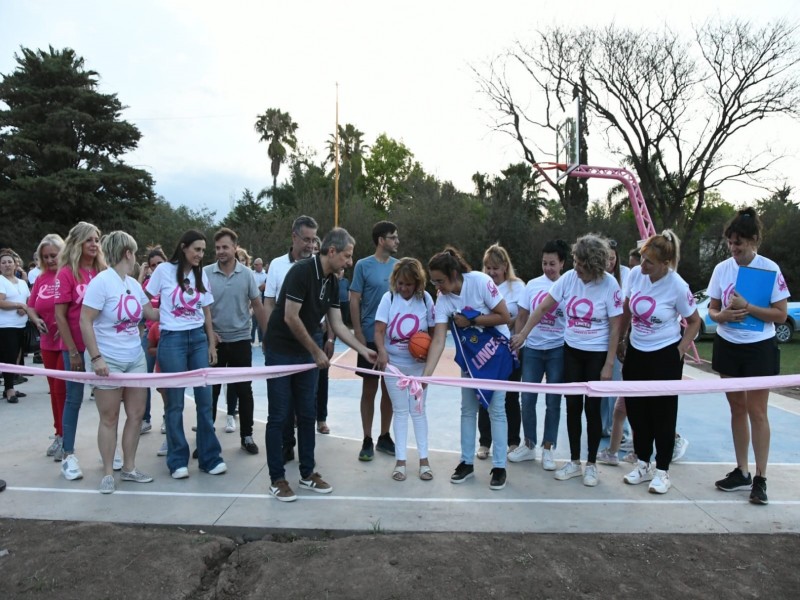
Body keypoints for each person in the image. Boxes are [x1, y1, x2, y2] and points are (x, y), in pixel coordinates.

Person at [264, 228, 376, 502]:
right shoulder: (301, 272)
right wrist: (315, 351)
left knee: (307, 413)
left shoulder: (335, 282)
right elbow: (291, 317)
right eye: (347, 256)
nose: (350, 262)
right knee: (279, 416)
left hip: (305, 353)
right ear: (332, 251)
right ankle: (277, 479)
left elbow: (337, 324)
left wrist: (364, 350)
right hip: (281, 350)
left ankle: (307, 474)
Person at [512, 234, 622, 487]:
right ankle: (574, 461)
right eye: (575, 262)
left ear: (594, 264)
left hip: (596, 354)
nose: (576, 268)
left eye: (581, 264)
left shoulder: (610, 285)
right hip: (571, 350)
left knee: (592, 410)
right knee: (572, 406)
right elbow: (542, 308)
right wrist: (523, 335)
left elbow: (616, 328)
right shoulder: (569, 279)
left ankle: (591, 464)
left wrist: (608, 364)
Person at [707, 207, 789, 505]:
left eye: (739, 243)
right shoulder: (721, 269)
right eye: (730, 242)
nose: (733, 248)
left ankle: (760, 478)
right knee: (737, 408)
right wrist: (723, 315)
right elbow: (712, 311)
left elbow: (780, 316)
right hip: (728, 345)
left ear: (754, 240)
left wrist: (749, 307)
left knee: (757, 412)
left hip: (759, 348)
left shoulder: (770, 269)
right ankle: (741, 471)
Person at [616, 231, 700, 494]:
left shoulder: (678, 285)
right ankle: (643, 463)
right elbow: (628, 308)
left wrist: (680, 349)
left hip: (665, 354)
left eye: (649, 262)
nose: (642, 266)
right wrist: (621, 339)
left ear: (665, 263)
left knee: (662, 414)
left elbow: (695, 321)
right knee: (638, 411)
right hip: (637, 352)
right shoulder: (635, 276)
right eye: (642, 259)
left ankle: (662, 470)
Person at [424, 247, 512, 490]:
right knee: (467, 409)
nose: (437, 286)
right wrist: (425, 377)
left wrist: (472, 320)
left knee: (497, 410)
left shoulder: (481, 282)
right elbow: (439, 340)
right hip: (471, 359)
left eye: (440, 281)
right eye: (434, 281)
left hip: (495, 354)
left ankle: (499, 466)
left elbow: (504, 316)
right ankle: (466, 462)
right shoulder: (442, 300)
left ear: (453, 273)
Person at [80, 231, 160, 494]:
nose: (136, 257)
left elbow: (150, 313)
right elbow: (85, 320)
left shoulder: (134, 285)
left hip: (134, 357)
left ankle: (129, 467)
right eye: (134, 252)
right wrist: (96, 358)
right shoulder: (102, 282)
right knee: (109, 417)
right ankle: (107, 472)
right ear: (128, 253)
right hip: (108, 359)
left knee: (136, 415)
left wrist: (185, 303)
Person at [145, 229, 226, 479]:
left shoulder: (200, 275)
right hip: (172, 340)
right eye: (197, 249)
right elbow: (144, 298)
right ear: (183, 247)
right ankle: (177, 460)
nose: (201, 255)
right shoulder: (164, 271)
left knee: (205, 400)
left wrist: (211, 343)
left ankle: (209, 457)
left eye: (203, 251)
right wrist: (160, 316)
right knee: (175, 402)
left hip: (198, 340)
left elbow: (207, 311)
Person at [204, 227, 267, 455]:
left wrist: (267, 335)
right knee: (210, 392)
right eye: (218, 247)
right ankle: (206, 439)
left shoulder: (247, 274)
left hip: (241, 340)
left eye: (225, 247)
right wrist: (208, 334)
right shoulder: (206, 273)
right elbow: (200, 308)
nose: (221, 251)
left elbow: (258, 305)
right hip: (216, 343)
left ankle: (246, 436)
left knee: (244, 390)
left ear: (234, 248)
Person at [374, 258, 436, 482]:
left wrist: (428, 363)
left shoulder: (426, 299)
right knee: (400, 412)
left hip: (418, 367)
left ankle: (424, 461)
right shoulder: (388, 298)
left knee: (418, 411)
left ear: (418, 283)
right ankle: (400, 461)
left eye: (409, 284)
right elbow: (379, 330)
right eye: (400, 283)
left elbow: (434, 335)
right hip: (394, 365)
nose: (404, 288)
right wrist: (382, 351)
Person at [509, 239, 569, 470]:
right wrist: (519, 342)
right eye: (544, 263)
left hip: (558, 350)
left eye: (552, 263)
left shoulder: (569, 285)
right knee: (527, 399)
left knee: (553, 401)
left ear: (562, 263)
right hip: (533, 349)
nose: (548, 268)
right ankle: (529, 444)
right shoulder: (532, 285)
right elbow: (522, 316)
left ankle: (548, 448)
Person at [264, 215, 319, 464]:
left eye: (313, 240)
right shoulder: (276, 265)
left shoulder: (319, 267)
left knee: (307, 407)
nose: (309, 245)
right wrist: (268, 337)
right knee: (281, 408)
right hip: (281, 345)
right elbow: (269, 304)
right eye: (306, 239)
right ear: (294, 237)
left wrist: (324, 339)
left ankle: (308, 464)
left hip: (310, 344)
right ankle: (286, 447)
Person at [54, 222, 107, 480]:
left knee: (106, 400)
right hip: (74, 347)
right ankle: (68, 454)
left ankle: (106, 450)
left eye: (96, 239)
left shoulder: (102, 272)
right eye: (89, 240)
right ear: (77, 243)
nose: (94, 244)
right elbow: (61, 317)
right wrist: (73, 351)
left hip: (101, 347)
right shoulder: (66, 273)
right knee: (73, 399)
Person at [350, 221, 400, 461]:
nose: (396, 241)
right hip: (369, 336)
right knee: (369, 389)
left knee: (389, 390)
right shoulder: (362, 265)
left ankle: (384, 436)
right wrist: (358, 332)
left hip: (393, 339)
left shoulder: (399, 266)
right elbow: (354, 299)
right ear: (381, 240)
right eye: (392, 237)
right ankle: (367, 438)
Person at [478, 244, 524, 460]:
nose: (491, 272)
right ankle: (484, 442)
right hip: (486, 352)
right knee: (484, 396)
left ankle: (513, 441)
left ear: (505, 267)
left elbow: (522, 316)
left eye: (495, 268)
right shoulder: (482, 284)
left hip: (510, 350)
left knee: (511, 397)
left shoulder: (518, 287)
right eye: (487, 267)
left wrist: (512, 330)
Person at [26, 235, 67, 455]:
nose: (50, 260)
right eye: (46, 257)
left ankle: (65, 437)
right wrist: (35, 319)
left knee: (61, 389)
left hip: (66, 342)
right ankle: (59, 434)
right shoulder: (41, 278)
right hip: (46, 341)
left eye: (54, 255)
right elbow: (31, 305)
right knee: (54, 390)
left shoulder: (70, 275)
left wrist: (66, 322)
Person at [1, 248, 45, 402]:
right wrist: (18, 306)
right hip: (6, 326)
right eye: (3, 262)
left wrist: (25, 308)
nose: (7, 265)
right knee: (9, 358)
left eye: (10, 262)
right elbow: (1, 302)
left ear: (15, 264)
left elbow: (29, 301)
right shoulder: (1, 281)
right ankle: (9, 389)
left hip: (21, 325)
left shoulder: (21, 282)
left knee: (17, 358)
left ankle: (9, 387)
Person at [138, 246, 167, 435]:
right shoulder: (147, 286)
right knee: (143, 377)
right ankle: (144, 418)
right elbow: (135, 299)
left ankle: (167, 417)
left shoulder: (174, 282)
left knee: (166, 380)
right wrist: (141, 274)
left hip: (167, 333)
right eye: (152, 265)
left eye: (159, 264)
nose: (156, 268)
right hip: (149, 333)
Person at [251, 257, 268, 345]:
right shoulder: (251, 274)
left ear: (261, 265)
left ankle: (261, 340)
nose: (256, 266)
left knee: (261, 321)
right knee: (253, 322)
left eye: (258, 264)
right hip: (253, 300)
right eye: (255, 265)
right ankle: (252, 340)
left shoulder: (266, 275)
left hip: (263, 301)